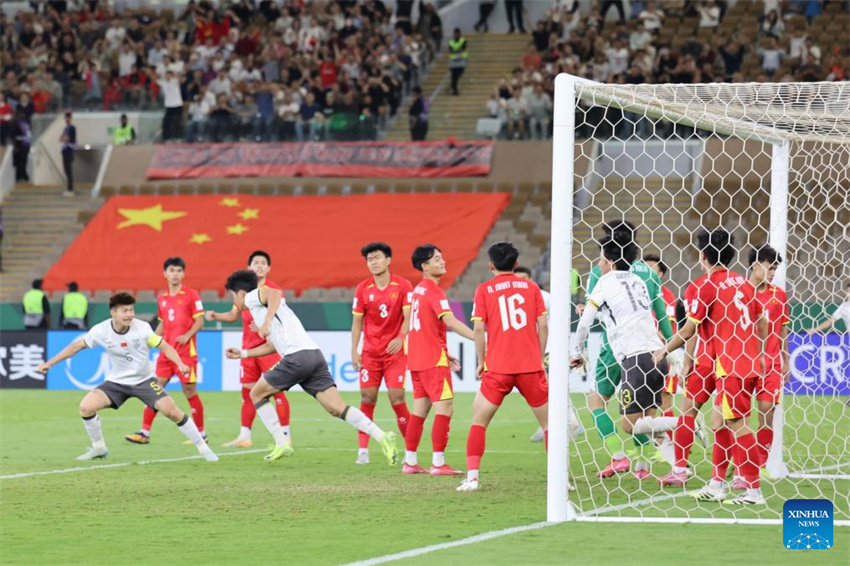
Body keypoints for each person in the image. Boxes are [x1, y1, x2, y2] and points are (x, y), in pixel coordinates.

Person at [223, 269, 399, 465]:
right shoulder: (264, 310)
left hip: (296, 357)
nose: (234, 303)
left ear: (239, 293)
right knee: (335, 408)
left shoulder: (251, 298)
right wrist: (244, 353)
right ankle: (382, 436)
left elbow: (274, 292)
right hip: (314, 356)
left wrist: (266, 322)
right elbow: (273, 346)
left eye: (232, 296)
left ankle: (282, 442)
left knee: (256, 394)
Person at [653, 229, 768, 505]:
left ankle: (754, 490)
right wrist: (759, 352)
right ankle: (717, 484)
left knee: (737, 425)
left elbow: (691, 328)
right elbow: (761, 322)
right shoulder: (743, 282)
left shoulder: (706, 285)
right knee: (719, 423)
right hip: (745, 363)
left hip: (730, 366)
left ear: (703, 256)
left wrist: (665, 350)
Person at [36, 293, 217, 462]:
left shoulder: (142, 329)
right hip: (117, 383)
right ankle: (99, 447)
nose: (129, 314)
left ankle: (203, 448)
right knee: (86, 407)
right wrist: (49, 363)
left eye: (131, 310)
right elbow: (75, 347)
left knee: (172, 411)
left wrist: (181, 364)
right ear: (113, 312)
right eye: (125, 310)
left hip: (145, 381)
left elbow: (165, 347)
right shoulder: (101, 330)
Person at [571, 232, 670, 481]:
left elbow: (584, 325)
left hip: (628, 355)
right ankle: (642, 466)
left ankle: (619, 456)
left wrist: (577, 350)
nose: (599, 263)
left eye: (601, 259)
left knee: (602, 405)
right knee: (645, 413)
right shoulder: (640, 279)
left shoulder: (604, 281)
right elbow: (643, 312)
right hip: (657, 353)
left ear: (610, 261)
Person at [457, 242, 549, 491]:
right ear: (516, 264)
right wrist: (538, 357)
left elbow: (478, 328)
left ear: (490, 265)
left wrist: (480, 361)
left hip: (498, 367)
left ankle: (473, 478)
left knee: (479, 421)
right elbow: (543, 325)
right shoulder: (531, 288)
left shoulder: (484, 289)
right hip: (530, 366)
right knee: (549, 425)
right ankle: (559, 480)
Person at [206, 251, 292, 449]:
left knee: (277, 391)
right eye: (256, 263)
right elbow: (233, 315)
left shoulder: (272, 290)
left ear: (269, 268)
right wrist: (216, 316)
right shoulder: (242, 292)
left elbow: (283, 315)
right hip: (247, 350)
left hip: (268, 349)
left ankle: (286, 436)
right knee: (248, 393)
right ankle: (245, 436)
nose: (259, 266)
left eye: (263, 263)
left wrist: (265, 322)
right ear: (249, 267)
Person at [403, 244, 475, 475]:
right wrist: (478, 338)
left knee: (419, 411)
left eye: (442, 258)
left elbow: (424, 327)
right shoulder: (434, 292)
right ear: (424, 266)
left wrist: (444, 350)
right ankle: (438, 462)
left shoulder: (418, 291)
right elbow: (451, 321)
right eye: (436, 259)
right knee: (445, 408)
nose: (442, 262)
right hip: (432, 361)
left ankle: (410, 462)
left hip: (417, 359)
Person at [125, 258, 206, 444]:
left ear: (183, 273)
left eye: (179, 270)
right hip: (166, 353)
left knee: (189, 391)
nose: (175, 274)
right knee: (154, 389)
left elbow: (200, 321)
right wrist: (150, 340)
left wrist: (187, 335)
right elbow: (163, 323)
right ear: (165, 273)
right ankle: (144, 433)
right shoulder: (162, 298)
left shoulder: (191, 295)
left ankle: (201, 434)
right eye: (172, 270)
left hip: (186, 353)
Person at [351, 242, 414, 465]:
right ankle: (363, 451)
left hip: (395, 353)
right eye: (369, 259)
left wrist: (401, 337)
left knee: (397, 397)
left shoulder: (403, 285)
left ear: (388, 260)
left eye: (377, 257)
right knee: (367, 397)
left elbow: (408, 318)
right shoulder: (362, 289)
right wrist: (354, 351)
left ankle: (410, 451)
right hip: (370, 354)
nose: (373, 262)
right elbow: (357, 323)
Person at [748, 245, 789, 475]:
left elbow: (783, 331)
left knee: (767, 411)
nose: (772, 272)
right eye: (769, 267)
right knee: (736, 416)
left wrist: (786, 361)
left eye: (775, 268)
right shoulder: (741, 292)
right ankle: (742, 457)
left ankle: (759, 463)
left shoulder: (778, 295)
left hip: (771, 363)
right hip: (742, 362)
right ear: (755, 265)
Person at [159, 70, 184, 141]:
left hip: (177, 105)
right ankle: (166, 137)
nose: (167, 77)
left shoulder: (175, 81)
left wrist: (177, 75)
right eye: (166, 75)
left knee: (176, 121)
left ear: (171, 76)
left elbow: (181, 80)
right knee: (166, 121)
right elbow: (155, 80)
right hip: (169, 105)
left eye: (169, 75)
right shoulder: (163, 83)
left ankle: (176, 137)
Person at [11, 108, 31, 182]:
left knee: (24, 160)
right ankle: (20, 176)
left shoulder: (26, 123)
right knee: (19, 161)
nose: (21, 115)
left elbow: (28, 133)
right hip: (18, 143)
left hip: (25, 143)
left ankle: (23, 175)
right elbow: (13, 134)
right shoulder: (15, 123)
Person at [448, 28, 468, 96]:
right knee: (454, 76)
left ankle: (455, 88)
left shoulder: (463, 40)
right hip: (453, 61)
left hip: (461, 60)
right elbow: (450, 50)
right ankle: (454, 89)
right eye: (455, 34)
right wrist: (457, 50)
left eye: (457, 33)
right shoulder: (451, 41)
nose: (456, 35)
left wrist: (455, 51)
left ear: (459, 34)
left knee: (459, 73)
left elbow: (463, 48)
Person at [60, 111, 76, 196]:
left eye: (68, 118)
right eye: (66, 118)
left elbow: (68, 139)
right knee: (66, 170)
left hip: (69, 150)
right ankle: (68, 187)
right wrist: (64, 138)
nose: (67, 119)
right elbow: (61, 138)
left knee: (69, 170)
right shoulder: (65, 128)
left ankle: (70, 188)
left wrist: (65, 138)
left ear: (70, 119)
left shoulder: (72, 128)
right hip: (65, 150)